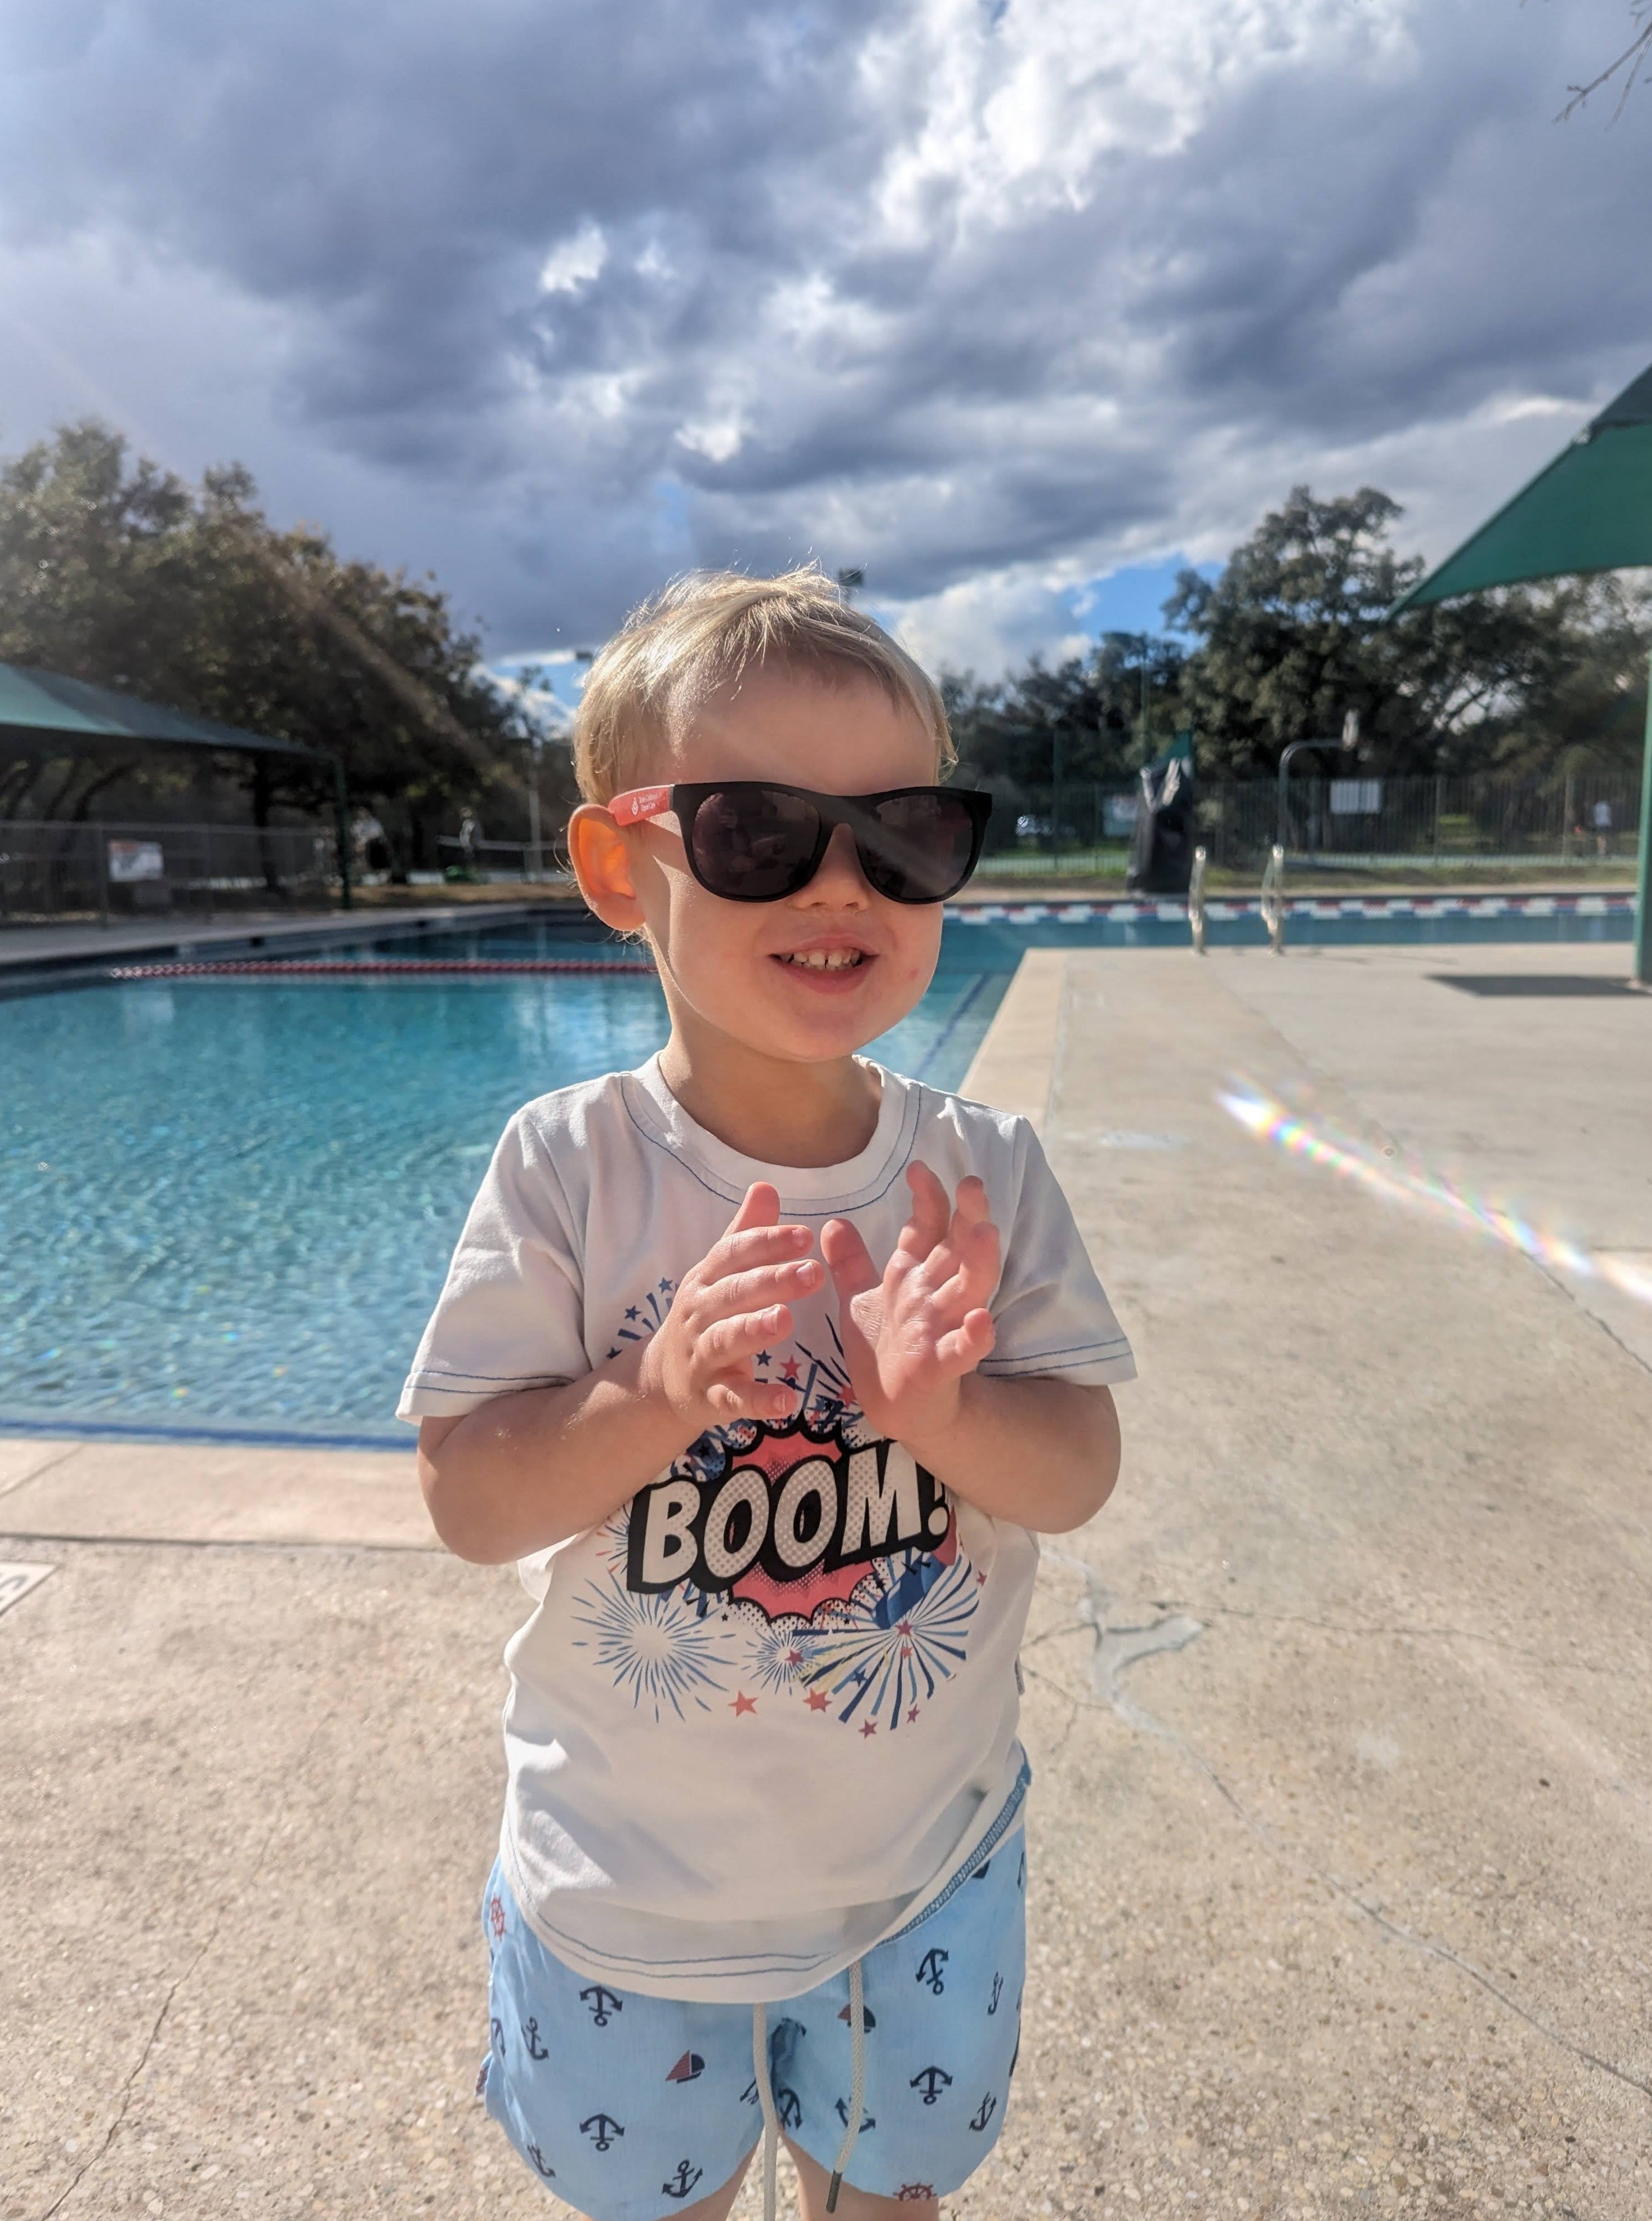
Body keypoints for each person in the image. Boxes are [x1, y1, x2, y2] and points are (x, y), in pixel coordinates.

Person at [401, 568, 1133, 2221]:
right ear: (621, 870)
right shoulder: (569, 1170)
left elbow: (1078, 1467)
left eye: (904, 834)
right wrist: (648, 1401)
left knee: (888, 2195)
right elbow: (469, 1498)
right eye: (757, 832)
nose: (841, 882)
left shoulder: (985, 1171)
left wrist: (946, 1417)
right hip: (628, 1888)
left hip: (917, 1873)